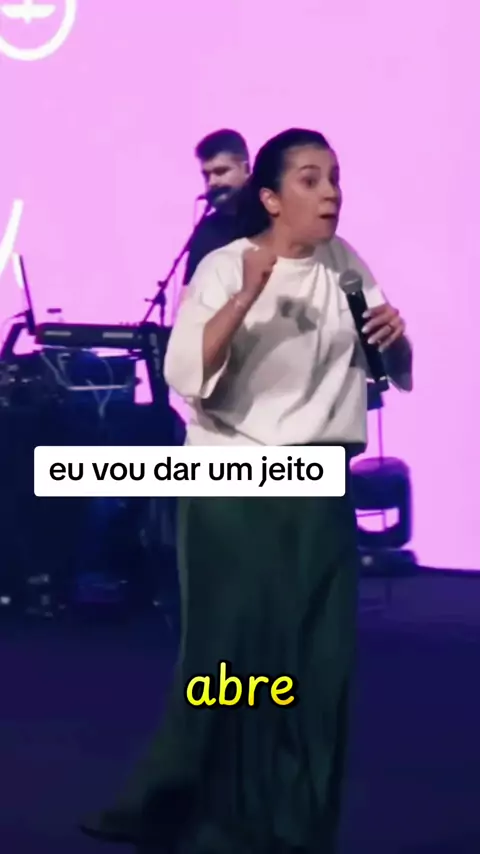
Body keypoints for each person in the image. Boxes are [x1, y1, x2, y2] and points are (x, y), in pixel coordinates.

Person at [81, 128, 412, 853]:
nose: (330, 193)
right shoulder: (226, 264)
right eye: (310, 179)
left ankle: (297, 821)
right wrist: (246, 297)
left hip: (318, 487)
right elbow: (185, 373)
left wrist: (396, 339)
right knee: (230, 662)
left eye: (335, 178)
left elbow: (389, 366)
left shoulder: (345, 265)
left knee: (317, 662)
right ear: (271, 197)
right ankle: (195, 811)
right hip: (235, 483)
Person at [183, 129, 250, 285]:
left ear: (246, 170)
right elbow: (189, 291)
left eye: (220, 172)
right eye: (206, 175)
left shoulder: (272, 218)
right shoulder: (206, 229)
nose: (212, 182)